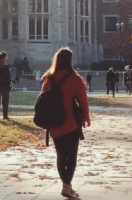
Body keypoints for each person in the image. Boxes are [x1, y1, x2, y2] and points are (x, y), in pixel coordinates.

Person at [40, 48, 90, 198]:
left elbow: (43, 101)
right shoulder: (75, 79)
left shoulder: (48, 79)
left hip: (54, 124)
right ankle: (67, 185)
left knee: (61, 155)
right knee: (72, 155)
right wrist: (86, 117)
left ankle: (66, 185)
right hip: (72, 124)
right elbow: (83, 101)